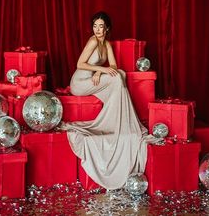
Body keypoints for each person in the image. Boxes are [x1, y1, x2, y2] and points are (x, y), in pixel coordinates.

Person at [61, 11, 160, 190]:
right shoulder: (92, 41)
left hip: (94, 78)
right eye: (95, 26)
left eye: (100, 26)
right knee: (115, 77)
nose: (97, 29)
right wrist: (102, 70)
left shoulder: (106, 44)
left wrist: (101, 70)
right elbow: (80, 64)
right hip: (80, 82)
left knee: (120, 74)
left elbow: (114, 66)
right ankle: (120, 122)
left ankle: (121, 122)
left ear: (107, 28)